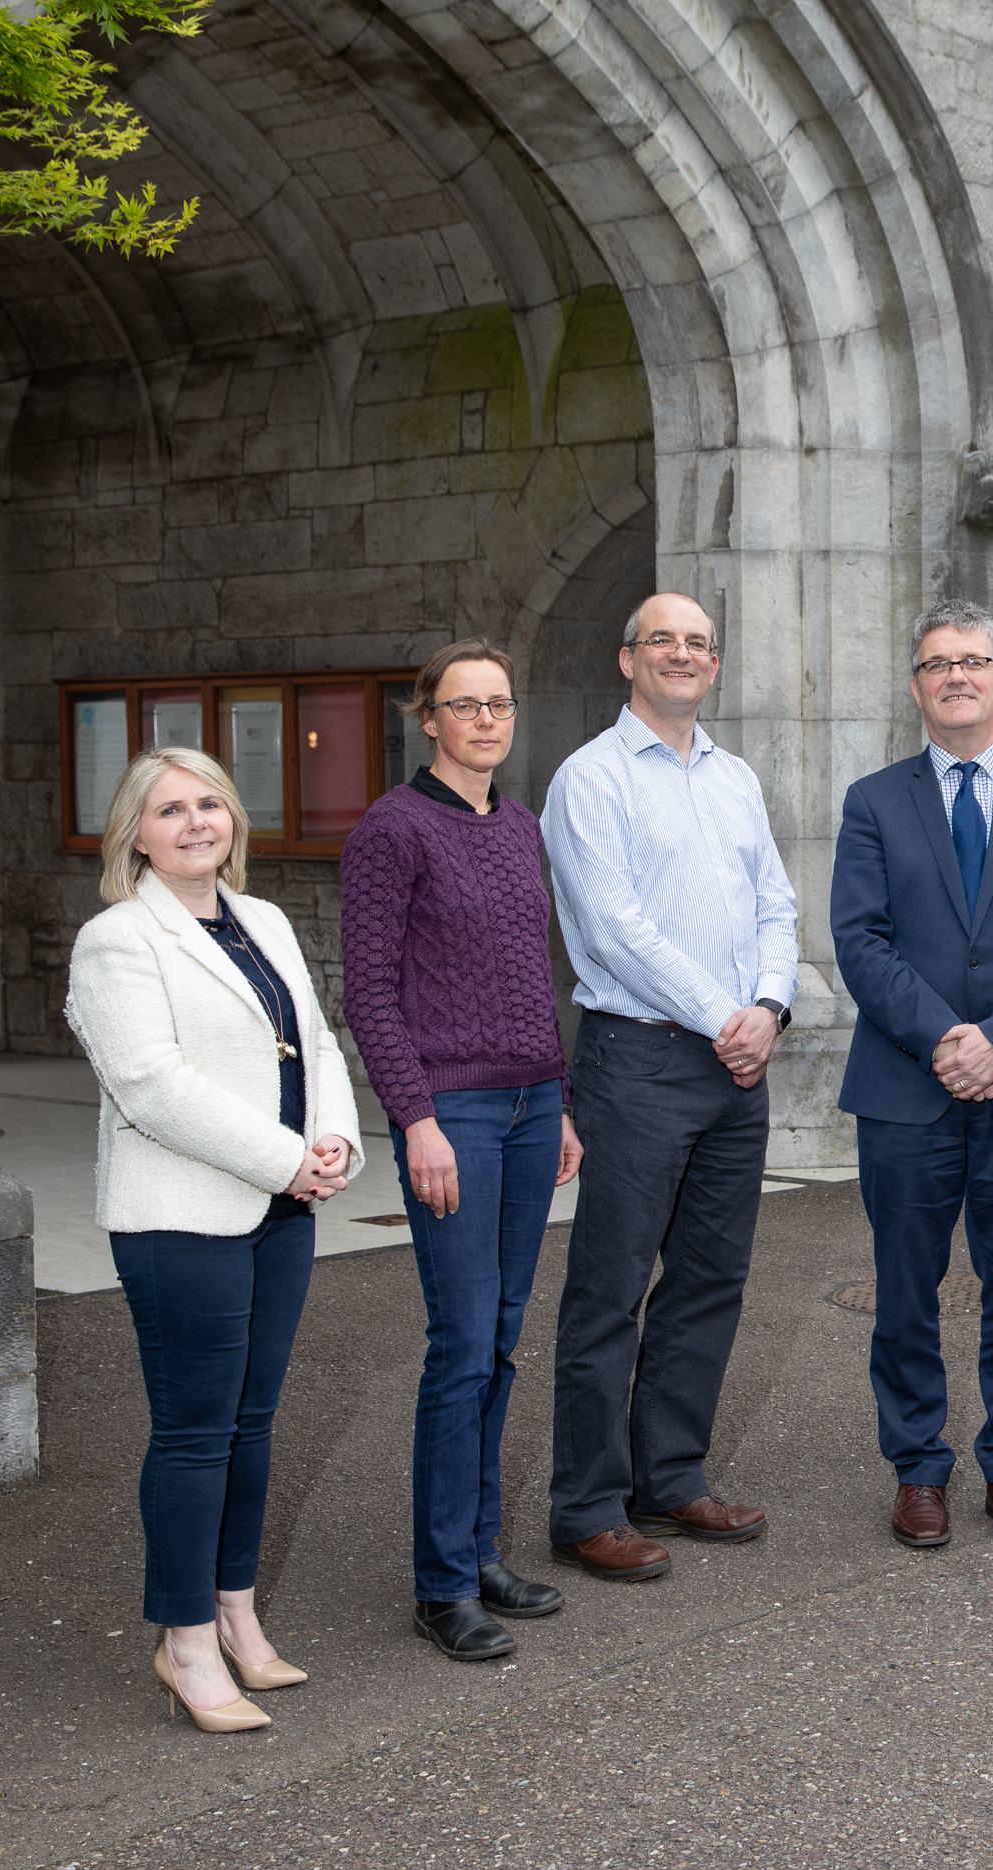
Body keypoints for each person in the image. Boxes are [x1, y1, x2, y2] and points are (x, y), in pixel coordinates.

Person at [65, 746, 361, 1733]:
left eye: (210, 803)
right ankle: (184, 1637)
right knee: (195, 1432)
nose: (197, 821)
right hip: (180, 1215)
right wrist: (286, 1157)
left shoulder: (264, 919)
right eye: (170, 808)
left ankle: (236, 1609)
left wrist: (336, 1142)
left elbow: (314, 1039)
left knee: (253, 1419)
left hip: (279, 1208)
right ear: (135, 834)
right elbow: (150, 1085)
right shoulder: (117, 939)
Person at [540, 592, 796, 1582]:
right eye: (663, 640)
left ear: (714, 664)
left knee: (707, 1280)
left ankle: (671, 1473)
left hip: (738, 1060)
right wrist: (723, 1015)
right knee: (609, 1289)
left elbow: (776, 898)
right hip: (641, 1058)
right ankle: (587, 1504)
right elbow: (610, 927)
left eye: (698, 642)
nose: (682, 654)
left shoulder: (734, 778)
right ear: (626, 657)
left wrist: (768, 1006)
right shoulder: (590, 779)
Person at [830, 600, 993, 1548]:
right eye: (939, 663)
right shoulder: (873, 801)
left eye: (975, 661)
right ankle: (918, 1470)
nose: (957, 676)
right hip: (905, 1088)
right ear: (915, 685)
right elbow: (859, 941)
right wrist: (948, 1038)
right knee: (905, 1289)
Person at [339, 639, 582, 1662]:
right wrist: (417, 1116)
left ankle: (479, 1548)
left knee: (504, 1333)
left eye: (498, 703)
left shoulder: (517, 825)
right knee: (460, 1339)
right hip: (455, 1113)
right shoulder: (391, 831)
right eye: (463, 704)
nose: (485, 718)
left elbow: (533, 975)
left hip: (532, 1107)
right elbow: (370, 991)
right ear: (426, 717)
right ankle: (442, 1583)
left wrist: (561, 1101)